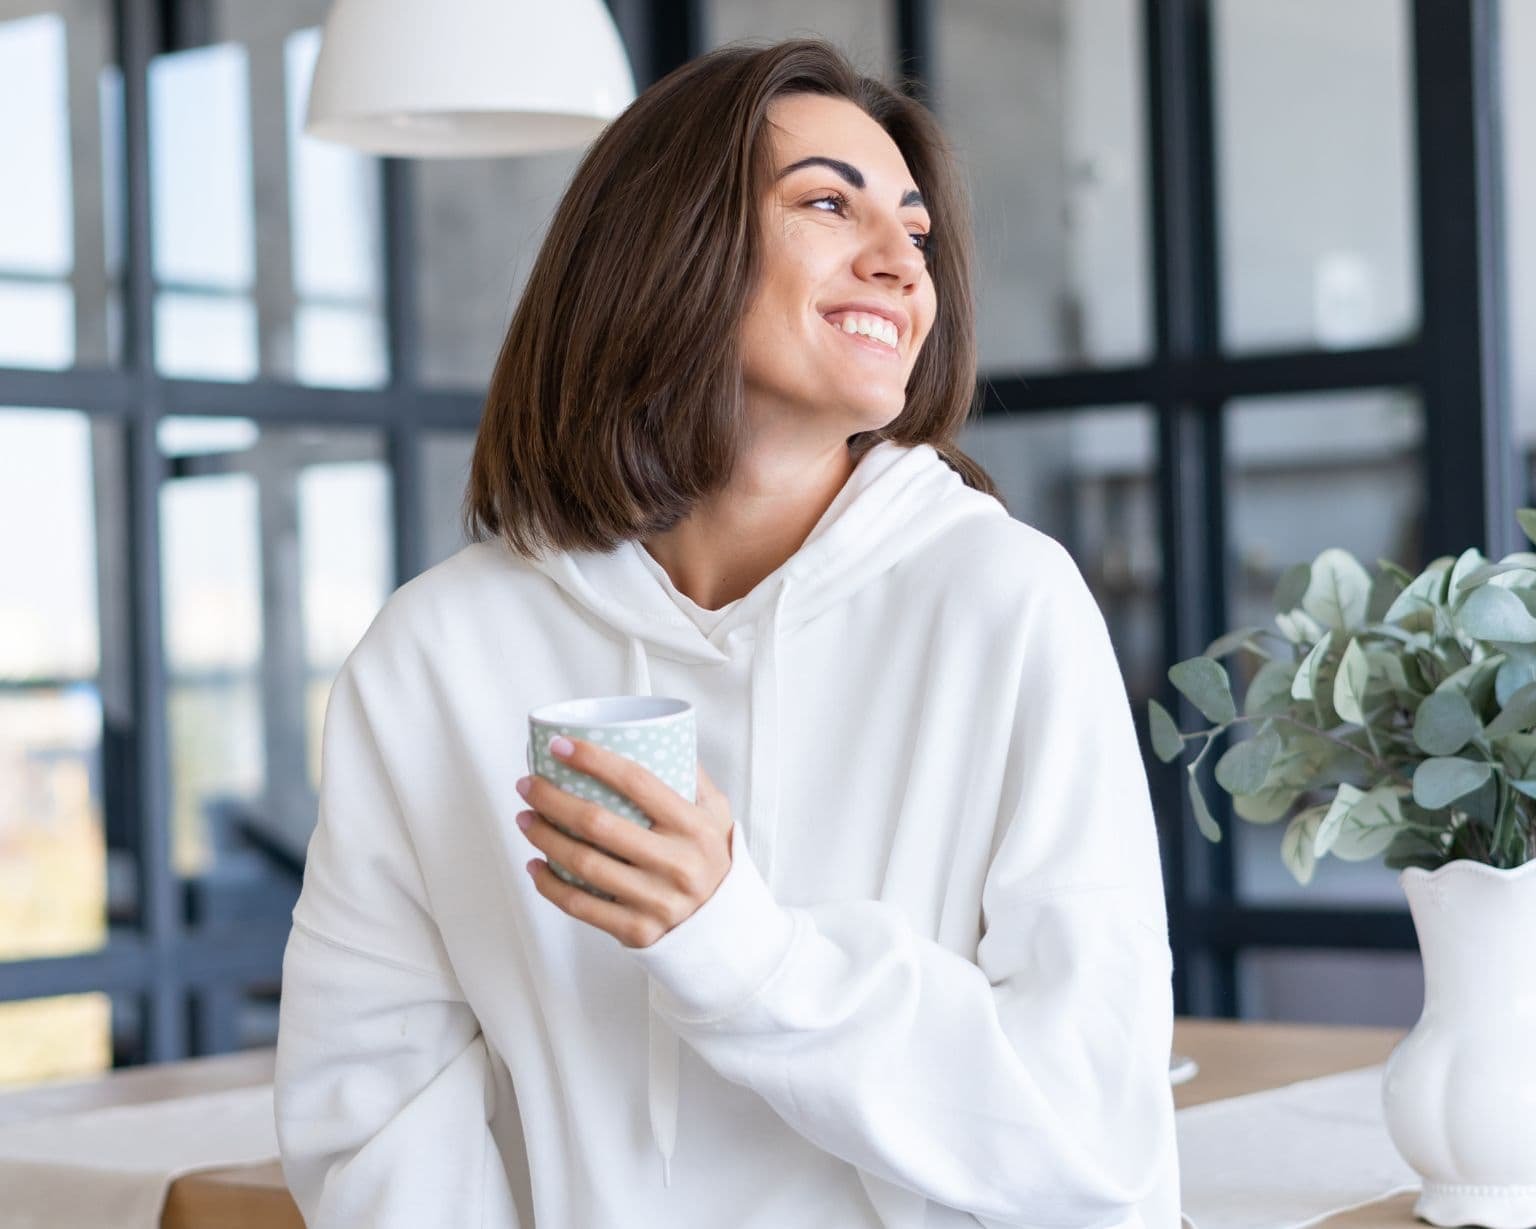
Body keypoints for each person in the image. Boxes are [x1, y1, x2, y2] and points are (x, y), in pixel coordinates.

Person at [273, 36, 1181, 1229]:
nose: (903, 266)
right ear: (667, 248)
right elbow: (372, 1103)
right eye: (826, 204)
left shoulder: (1005, 604)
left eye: (915, 232)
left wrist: (741, 951)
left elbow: (1093, 1125)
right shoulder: (438, 654)